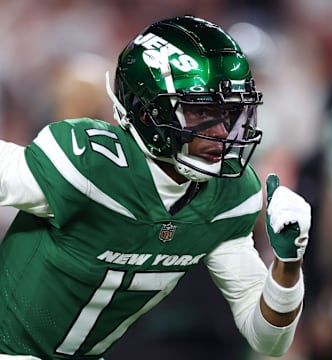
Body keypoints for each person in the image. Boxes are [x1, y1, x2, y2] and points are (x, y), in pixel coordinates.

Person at [0, 15, 311, 360]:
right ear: (148, 112)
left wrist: (287, 263)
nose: (223, 132)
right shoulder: (88, 165)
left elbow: (269, 341)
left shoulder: (231, 195)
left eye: (230, 113)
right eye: (200, 110)